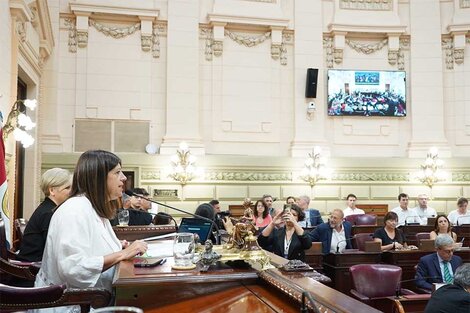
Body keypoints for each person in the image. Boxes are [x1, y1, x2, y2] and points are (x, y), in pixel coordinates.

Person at [34, 150, 148, 313]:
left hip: (94, 300)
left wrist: (118, 247)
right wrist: (123, 254)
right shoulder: (74, 209)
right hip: (75, 305)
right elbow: (73, 268)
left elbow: (93, 249)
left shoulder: (92, 208)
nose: (123, 178)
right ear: (99, 178)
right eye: (117, 172)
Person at [17, 168, 72, 263]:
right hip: (33, 269)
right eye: (67, 188)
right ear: (52, 190)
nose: (71, 192)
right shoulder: (48, 213)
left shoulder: (49, 208)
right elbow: (54, 249)